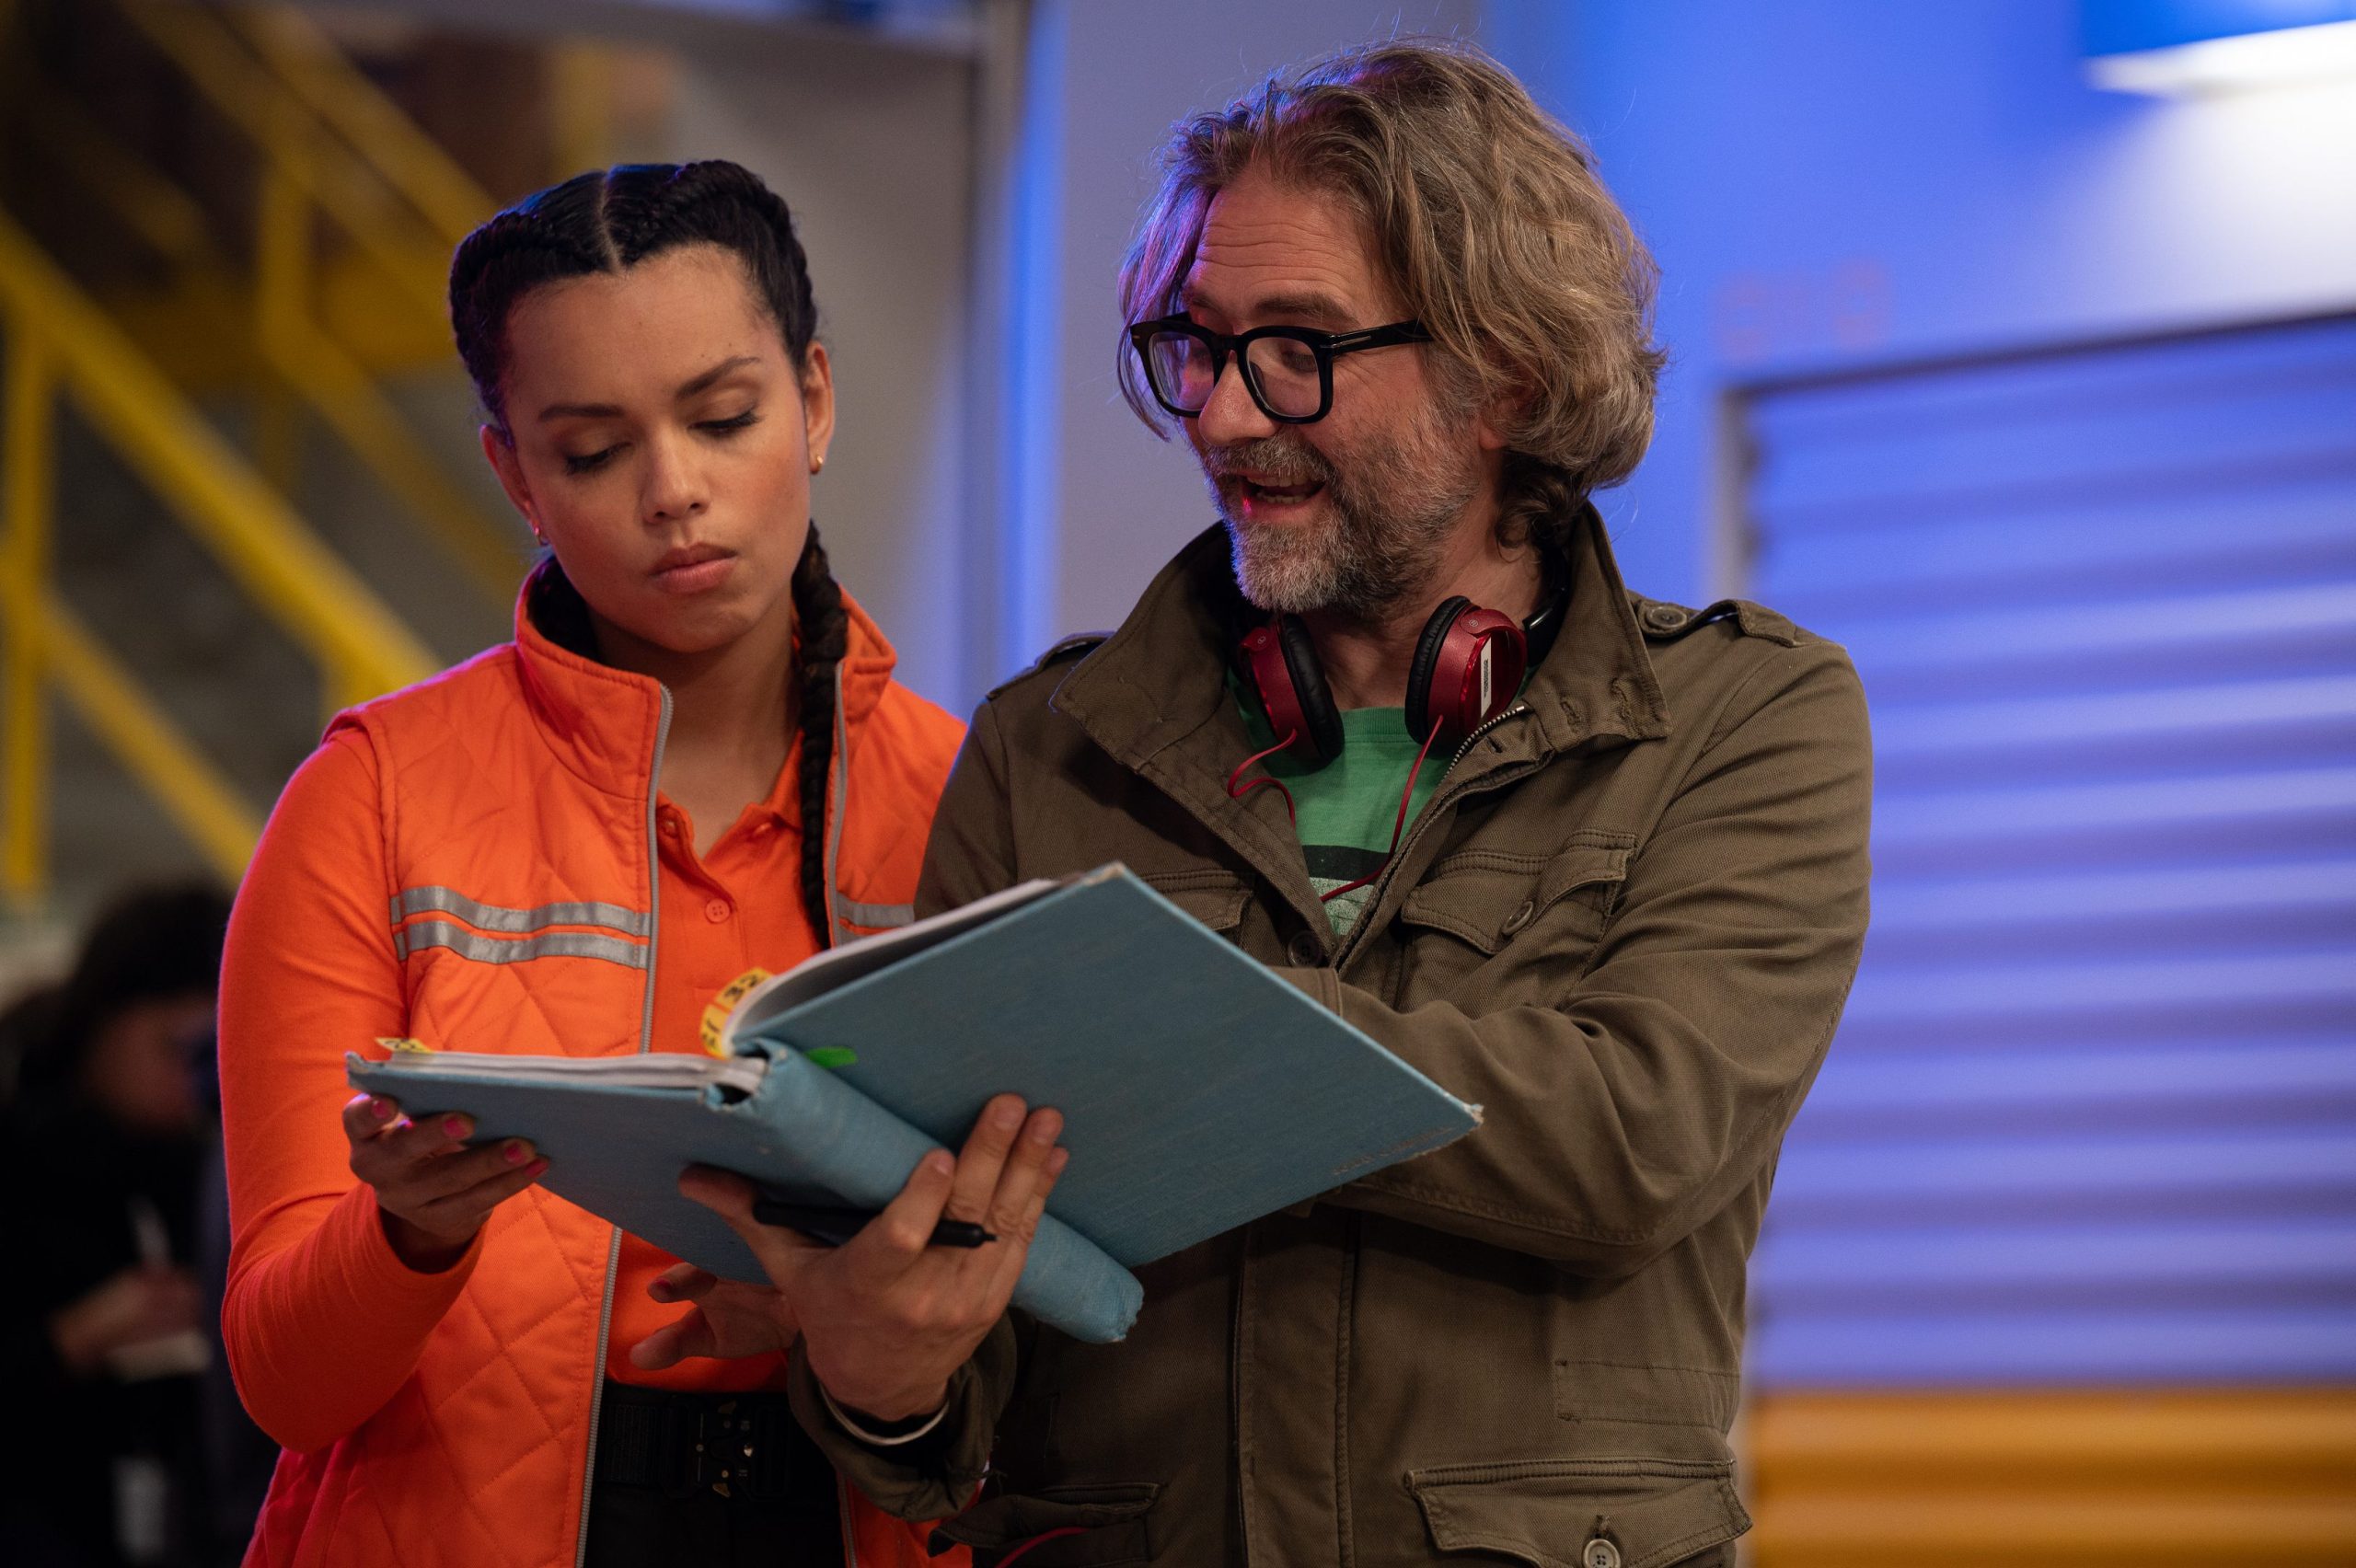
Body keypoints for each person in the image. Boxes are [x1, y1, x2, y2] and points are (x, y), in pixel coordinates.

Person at [703, 40, 1872, 1568]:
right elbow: (964, 1397)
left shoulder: (1746, 718)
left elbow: (1628, 1140)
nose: (1229, 417)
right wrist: (882, 1369)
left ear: (1499, 372)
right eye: (1196, 345)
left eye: (1299, 348)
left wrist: (1177, 1027)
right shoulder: (1042, 748)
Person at [214, 160, 1063, 1568]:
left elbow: (1071, 1320)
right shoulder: (372, 800)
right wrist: (408, 1241)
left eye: (726, 418)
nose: (676, 492)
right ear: (515, 478)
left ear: (818, 401)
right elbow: (285, 1385)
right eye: (594, 451)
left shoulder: (970, 799)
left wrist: (862, 1321)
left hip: (855, 1513)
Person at [0, 882, 231, 1568]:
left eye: (217, 1058)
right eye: (175, 1049)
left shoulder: (210, 1168)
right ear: (99, 1021)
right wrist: (78, 1336)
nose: (196, 1083)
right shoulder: (19, 1164)